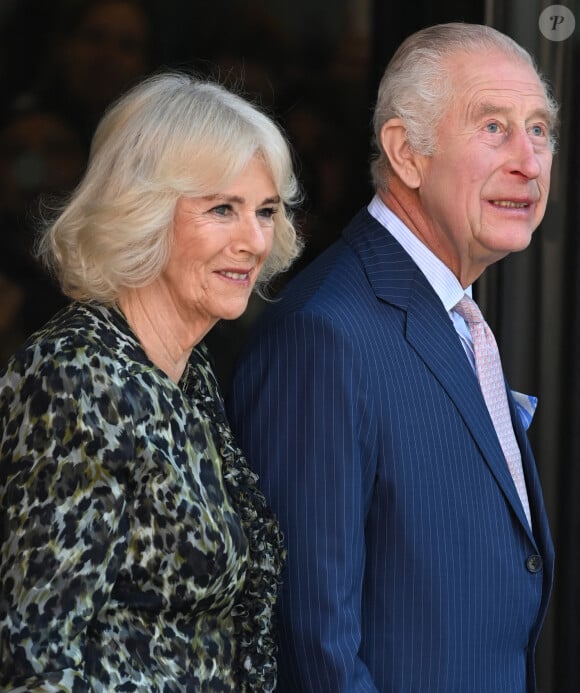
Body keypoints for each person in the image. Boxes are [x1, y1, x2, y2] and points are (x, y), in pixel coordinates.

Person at [227, 22, 556, 692]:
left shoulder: (455, 314)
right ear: (406, 153)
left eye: (540, 128)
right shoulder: (325, 334)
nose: (529, 158)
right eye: (493, 126)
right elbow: (312, 647)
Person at [0, 71, 302, 691]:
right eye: (222, 209)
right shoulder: (76, 377)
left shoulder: (187, 371)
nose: (253, 239)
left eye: (265, 211)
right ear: (144, 212)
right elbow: (36, 659)